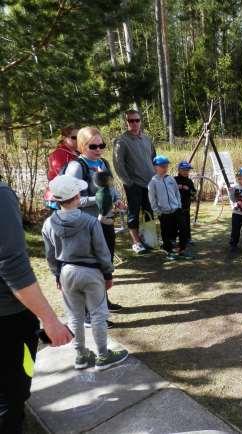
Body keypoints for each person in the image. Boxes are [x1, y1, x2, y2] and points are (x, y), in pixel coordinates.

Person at [0, 182, 73, 434]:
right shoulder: (1, 195)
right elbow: (11, 264)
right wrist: (50, 322)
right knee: (13, 392)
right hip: (9, 320)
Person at [42, 175, 128, 372]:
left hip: (66, 272)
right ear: (77, 196)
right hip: (91, 272)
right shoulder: (90, 222)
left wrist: (57, 275)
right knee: (98, 314)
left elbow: (49, 255)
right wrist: (108, 274)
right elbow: (102, 251)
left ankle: (81, 355)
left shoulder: (48, 224)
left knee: (75, 316)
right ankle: (103, 355)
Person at [65, 127, 123, 316]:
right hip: (87, 226)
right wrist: (97, 199)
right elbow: (71, 200)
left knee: (105, 265)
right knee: (92, 269)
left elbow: (110, 188)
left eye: (101, 145)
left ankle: (103, 301)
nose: (98, 149)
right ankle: (92, 312)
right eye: (93, 146)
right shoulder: (77, 167)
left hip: (105, 222)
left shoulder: (103, 163)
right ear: (82, 146)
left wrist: (116, 199)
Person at [113, 110, 156, 254]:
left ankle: (149, 239)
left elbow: (154, 159)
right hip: (134, 185)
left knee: (149, 211)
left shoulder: (147, 139)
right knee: (134, 213)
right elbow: (119, 165)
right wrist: (128, 182)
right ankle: (136, 242)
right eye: (131, 121)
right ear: (126, 122)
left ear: (140, 121)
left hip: (149, 183)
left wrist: (157, 177)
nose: (134, 123)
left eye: (137, 120)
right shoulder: (121, 141)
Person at [148, 156, 190, 260]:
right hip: (164, 212)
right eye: (162, 166)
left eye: (166, 166)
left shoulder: (170, 179)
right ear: (155, 167)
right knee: (166, 232)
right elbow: (152, 199)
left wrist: (179, 205)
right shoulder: (153, 182)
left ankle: (182, 250)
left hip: (176, 209)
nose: (165, 168)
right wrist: (158, 212)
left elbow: (177, 193)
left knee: (184, 229)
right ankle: (169, 251)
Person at [44, 126, 79, 210]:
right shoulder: (59, 153)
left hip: (71, 197)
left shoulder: (78, 152)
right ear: (64, 138)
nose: (78, 140)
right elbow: (62, 177)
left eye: (80, 137)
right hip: (58, 199)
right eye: (74, 137)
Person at [174, 161, 196, 245]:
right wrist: (178, 187)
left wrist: (189, 190)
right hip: (175, 207)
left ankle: (188, 239)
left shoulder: (189, 182)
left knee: (186, 223)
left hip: (186, 206)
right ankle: (173, 239)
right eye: (184, 170)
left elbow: (194, 193)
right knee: (175, 224)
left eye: (187, 170)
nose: (186, 172)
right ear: (179, 170)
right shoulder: (174, 180)